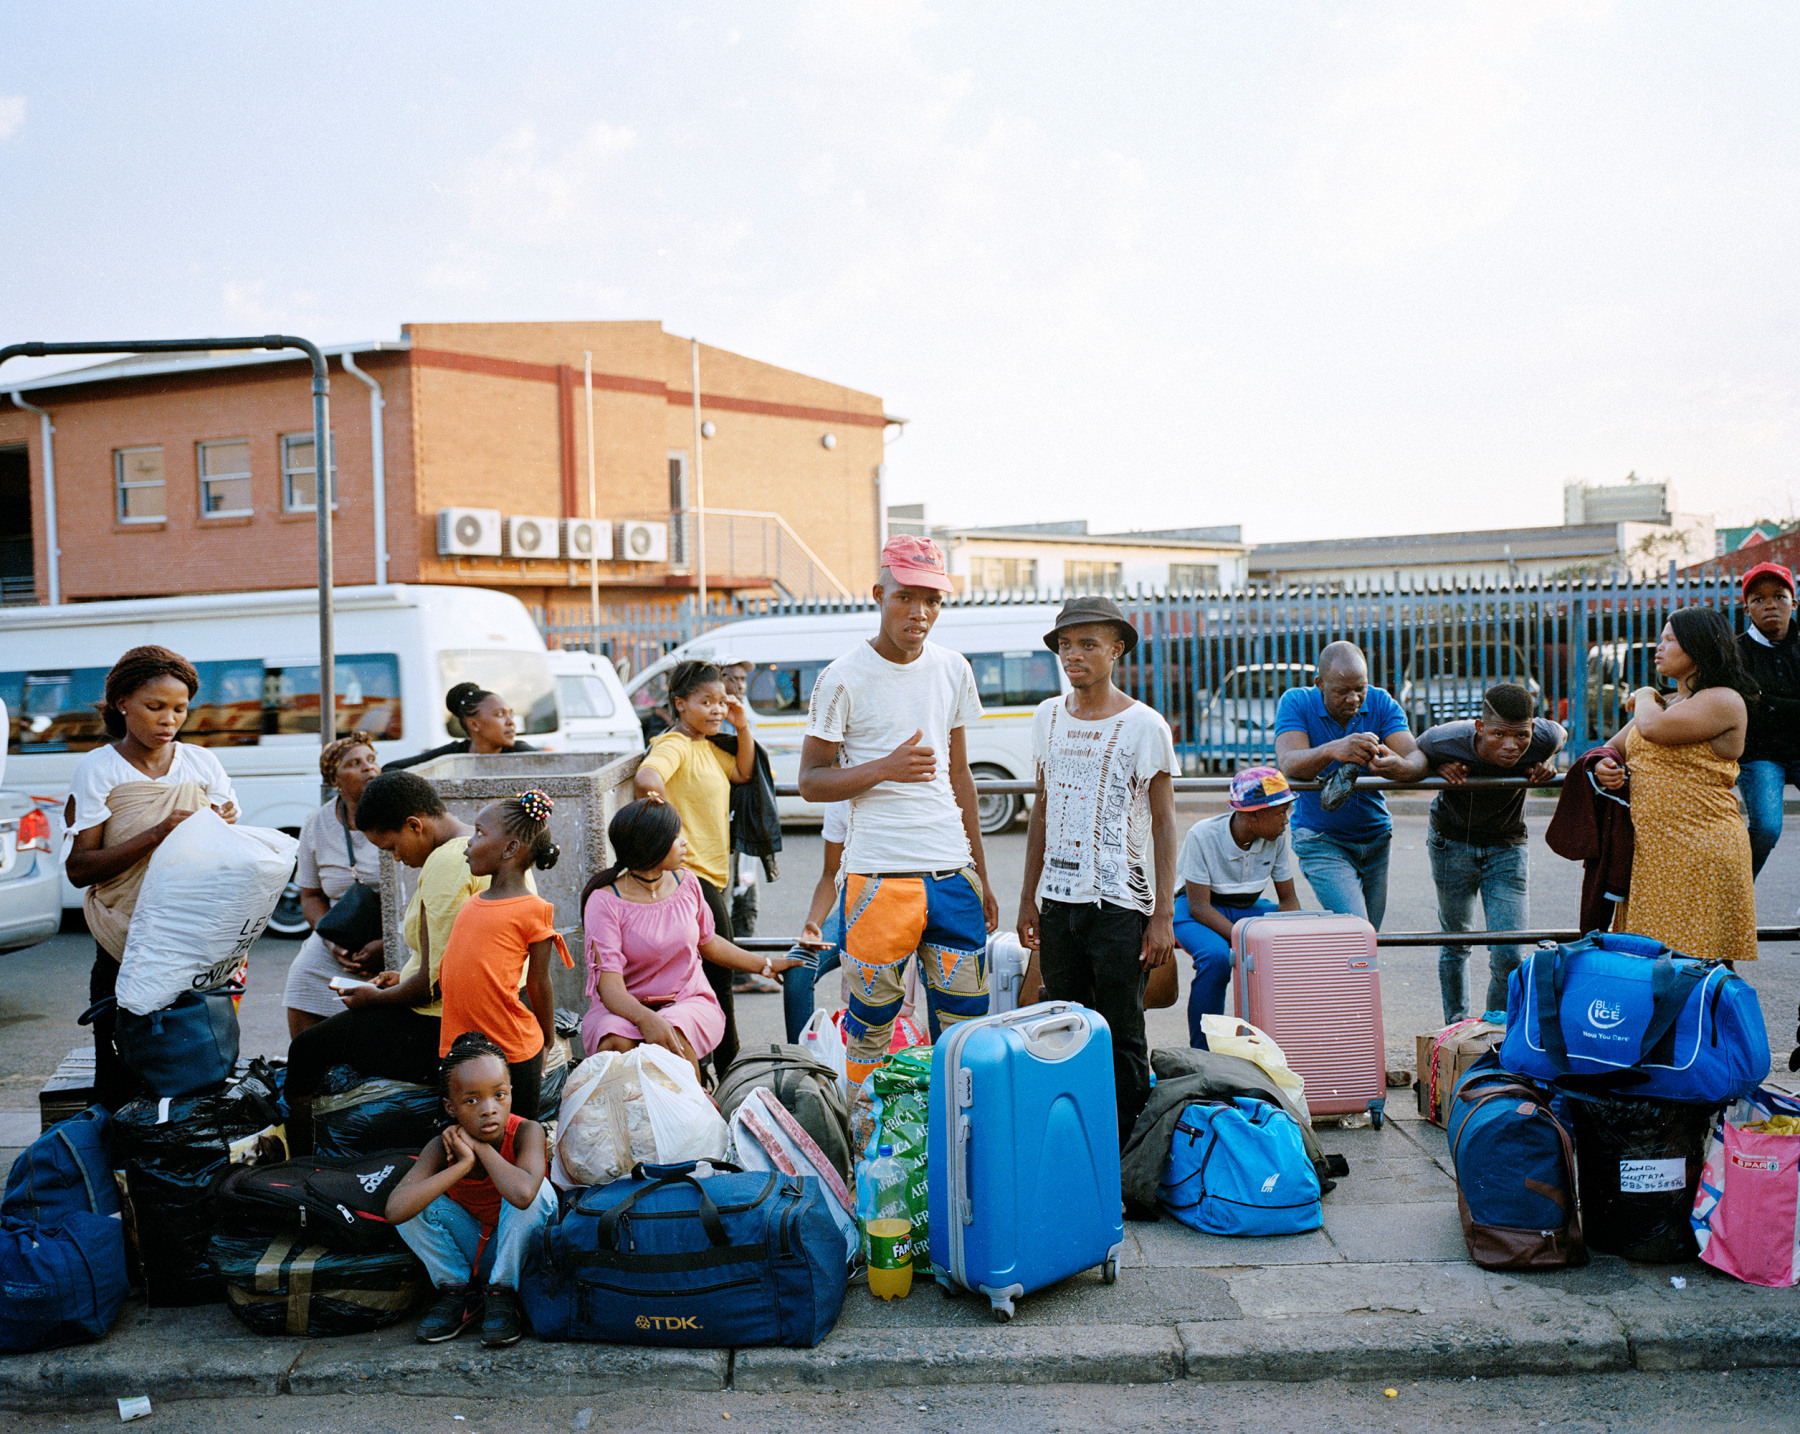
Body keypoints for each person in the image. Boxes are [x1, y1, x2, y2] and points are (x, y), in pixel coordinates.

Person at [798, 534, 996, 1090]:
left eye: (933, 600)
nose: (920, 611)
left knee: (965, 1031)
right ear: (879, 594)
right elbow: (810, 782)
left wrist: (979, 872)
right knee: (871, 1031)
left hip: (951, 876)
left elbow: (961, 776)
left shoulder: (953, 668)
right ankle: (872, 1153)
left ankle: (957, 1154)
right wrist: (884, 767)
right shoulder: (841, 677)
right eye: (907, 596)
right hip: (879, 880)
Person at [1015, 596, 1177, 1151]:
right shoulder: (1047, 715)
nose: (1073, 655)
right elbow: (1042, 806)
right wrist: (1028, 898)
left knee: (1123, 1034)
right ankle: (1075, 1149)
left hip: (1121, 910)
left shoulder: (1144, 725)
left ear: (1117, 649)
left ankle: (1127, 1159)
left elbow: (1162, 822)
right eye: (1065, 644)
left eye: (1087, 643)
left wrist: (1162, 915)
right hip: (1059, 906)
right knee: (1063, 1026)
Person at [284, 770, 506, 1153]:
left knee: (306, 1049)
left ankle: (301, 1161)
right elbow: (447, 955)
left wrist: (374, 998)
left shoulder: (445, 865)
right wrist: (398, 978)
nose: (397, 859)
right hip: (477, 1011)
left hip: (443, 1026)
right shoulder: (476, 846)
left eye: (391, 848)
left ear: (415, 825)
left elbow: (436, 983)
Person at [62, 645, 239, 1108]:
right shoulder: (99, 768)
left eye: (179, 709)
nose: (169, 720)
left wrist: (224, 828)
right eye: (154, 707)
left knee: (197, 1071)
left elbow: (228, 858)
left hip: (193, 942)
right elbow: (79, 869)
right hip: (124, 944)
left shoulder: (203, 765)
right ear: (123, 702)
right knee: (122, 1078)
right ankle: (118, 1175)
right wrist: (159, 832)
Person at [579, 796, 801, 1080]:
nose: (684, 842)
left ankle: (695, 1117)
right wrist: (647, 1019)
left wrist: (766, 965)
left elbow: (710, 943)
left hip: (686, 1001)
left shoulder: (687, 882)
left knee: (673, 1040)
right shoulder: (605, 901)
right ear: (652, 844)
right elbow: (611, 989)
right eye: (676, 836)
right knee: (616, 1046)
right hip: (624, 1008)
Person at [1387, 683, 1564, 1023]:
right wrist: (1436, 767)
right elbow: (1416, 755)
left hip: (1508, 846)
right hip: (1451, 843)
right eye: (1499, 735)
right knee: (1456, 940)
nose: (1511, 746)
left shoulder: (1543, 738)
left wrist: (1548, 760)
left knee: (1510, 951)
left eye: (1521, 736)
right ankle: (1456, 1027)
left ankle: (1494, 1031)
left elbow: (1561, 734)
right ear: (1480, 728)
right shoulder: (1445, 739)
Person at [1595, 607, 1758, 966]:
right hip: (1654, 855)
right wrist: (1606, 764)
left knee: (1695, 966)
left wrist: (1642, 693)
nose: (1660, 646)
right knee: (1651, 966)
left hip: (1699, 850)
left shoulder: (1723, 699)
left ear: (1699, 647)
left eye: (1671, 639)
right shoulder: (1663, 702)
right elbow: (1615, 745)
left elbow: (1652, 729)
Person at [385, 1031, 557, 1348]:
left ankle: (503, 1295)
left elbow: (522, 1196)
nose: (488, 1108)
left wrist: (480, 1147)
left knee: (538, 1190)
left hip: (521, 1255)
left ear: (511, 1093)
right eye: (472, 1100)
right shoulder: (440, 1146)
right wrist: (462, 1165)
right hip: (475, 1253)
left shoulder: (526, 1132)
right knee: (414, 1201)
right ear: (451, 1108)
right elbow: (395, 1211)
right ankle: (460, 1293)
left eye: (499, 1095)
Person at [633, 659, 758, 1071]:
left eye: (723, 701)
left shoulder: (705, 745)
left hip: (712, 877)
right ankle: (728, 1070)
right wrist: (670, 833)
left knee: (709, 981)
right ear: (680, 704)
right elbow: (648, 778)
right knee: (720, 982)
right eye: (706, 701)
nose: (717, 709)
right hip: (692, 879)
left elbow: (742, 771)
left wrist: (741, 727)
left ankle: (709, 1069)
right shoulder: (675, 745)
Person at [435, 791, 572, 1118]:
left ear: (510, 848)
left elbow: (539, 983)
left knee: (518, 1130)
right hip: (460, 1050)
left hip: (512, 1051)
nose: (469, 842)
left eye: (480, 833)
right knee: (467, 1133)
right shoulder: (472, 902)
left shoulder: (534, 910)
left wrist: (547, 1041)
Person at [1274, 641, 1418, 928]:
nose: (1353, 699)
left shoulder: (1381, 701)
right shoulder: (1296, 702)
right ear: (1320, 684)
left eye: (1359, 689)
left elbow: (1415, 755)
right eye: (1342, 691)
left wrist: (1400, 767)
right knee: (1358, 931)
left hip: (1376, 837)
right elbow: (1288, 762)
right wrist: (1333, 749)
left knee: (1368, 937)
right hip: (1321, 839)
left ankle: (1346, 974)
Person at [1171, 766, 1302, 1040]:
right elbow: (1199, 907)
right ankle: (1205, 1049)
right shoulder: (1203, 836)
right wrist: (1243, 938)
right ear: (1253, 815)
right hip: (1197, 910)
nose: (1286, 821)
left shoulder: (1274, 838)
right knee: (1216, 958)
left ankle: (1281, 1040)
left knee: (1297, 944)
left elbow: (1288, 900)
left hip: (1246, 908)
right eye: (1280, 812)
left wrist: (1290, 938)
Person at [281, 732, 385, 1038]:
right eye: (354, 763)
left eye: (371, 759)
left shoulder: (395, 814)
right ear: (334, 779)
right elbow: (311, 896)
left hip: (395, 932)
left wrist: (387, 944)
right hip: (342, 933)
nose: (368, 768)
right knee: (302, 975)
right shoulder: (317, 823)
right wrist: (331, 942)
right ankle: (308, 1070)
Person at [1734, 562, 1800, 876]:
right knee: (1767, 828)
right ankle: (1734, 901)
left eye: (1779, 596)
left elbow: (1760, 701)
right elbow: (1747, 704)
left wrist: (1768, 701)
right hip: (1760, 754)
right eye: (1758, 599)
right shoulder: (1735, 652)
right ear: (1746, 609)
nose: (1770, 604)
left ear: (1794, 602)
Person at [384, 683, 539, 771]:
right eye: (499, 714)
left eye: (510, 714)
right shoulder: (452, 755)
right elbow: (391, 769)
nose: (510, 722)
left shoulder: (521, 752)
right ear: (474, 724)